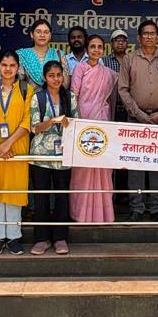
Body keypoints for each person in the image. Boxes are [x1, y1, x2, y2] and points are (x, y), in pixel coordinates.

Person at [118, 20, 158, 221]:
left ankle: (157, 207)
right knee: (135, 166)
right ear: (139, 37)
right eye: (146, 34)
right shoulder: (129, 59)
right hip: (135, 119)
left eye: (153, 34)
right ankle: (136, 207)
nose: (149, 37)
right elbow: (123, 90)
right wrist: (138, 114)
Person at [0, 50, 32, 252]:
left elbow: (27, 121)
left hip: (17, 149)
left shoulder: (27, 90)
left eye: (12, 65)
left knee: (14, 191)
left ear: (18, 68)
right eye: (4, 65)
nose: (8, 69)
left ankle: (14, 236)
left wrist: (7, 144)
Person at [29, 59, 77, 255]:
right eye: (51, 75)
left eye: (59, 75)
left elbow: (76, 124)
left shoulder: (70, 97)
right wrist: (51, 121)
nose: (56, 79)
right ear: (44, 77)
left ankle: (60, 238)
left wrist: (68, 124)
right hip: (40, 156)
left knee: (61, 197)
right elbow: (34, 128)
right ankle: (41, 238)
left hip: (63, 155)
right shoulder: (37, 97)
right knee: (41, 198)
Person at [69, 35, 116, 226]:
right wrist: (77, 122)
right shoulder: (80, 68)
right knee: (83, 168)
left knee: (102, 168)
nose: (96, 50)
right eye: (93, 46)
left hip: (102, 123)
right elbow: (74, 96)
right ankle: (81, 213)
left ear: (104, 50)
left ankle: (102, 214)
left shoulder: (109, 73)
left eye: (99, 47)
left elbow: (109, 99)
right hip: (83, 123)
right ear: (87, 49)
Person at [16, 19, 65, 89]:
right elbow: (18, 82)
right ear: (32, 34)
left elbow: (65, 84)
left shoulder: (59, 55)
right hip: (28, 95)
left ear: (50, 36)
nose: (42, 35)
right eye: (38, 32)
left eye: (46, 32)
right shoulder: (22, 55)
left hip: (53, 95)